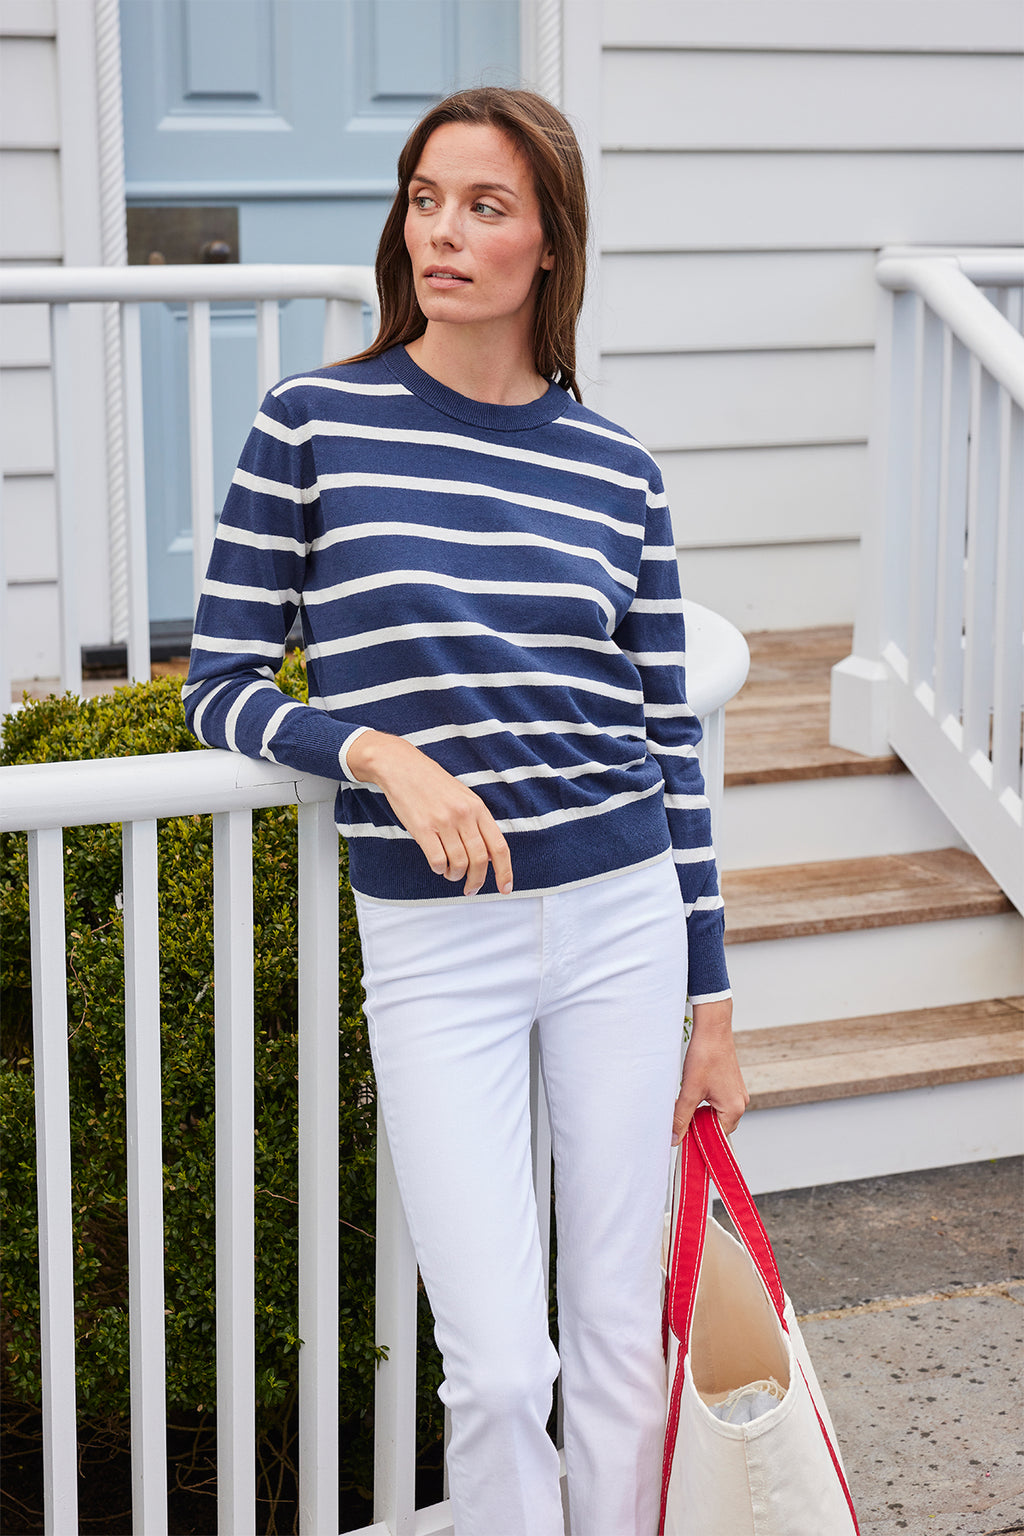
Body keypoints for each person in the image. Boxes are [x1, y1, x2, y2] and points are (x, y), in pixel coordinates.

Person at [183, 86, 748, 1536]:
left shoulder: (618, 468)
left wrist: (714, 1010)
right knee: (499, 1368)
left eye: (485, 206)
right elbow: (220, 683)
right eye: (426, 197)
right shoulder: (313, 421)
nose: (443, 231)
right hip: (440, 944)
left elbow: (669, 748)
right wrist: (377, 750)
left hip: (623, 915)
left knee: (622, 1340)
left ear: (549, 245)